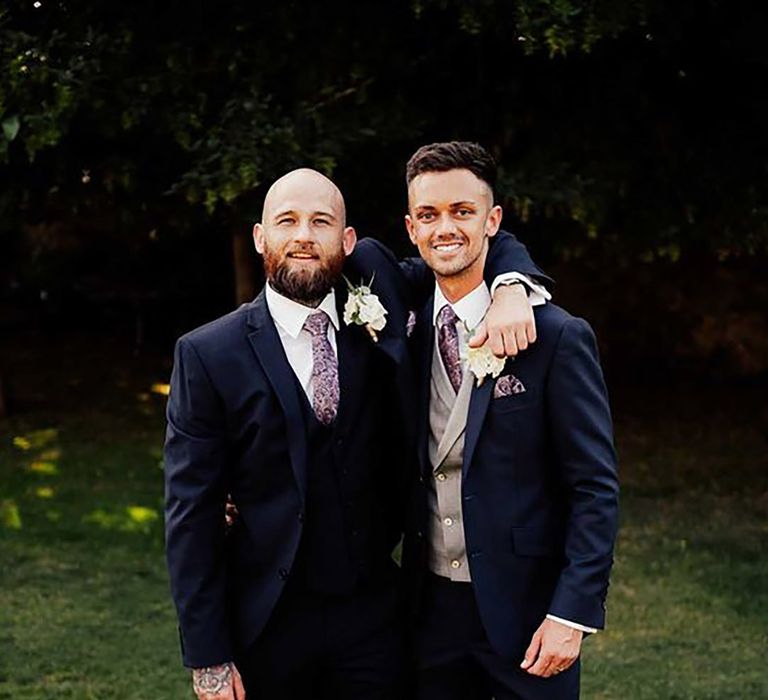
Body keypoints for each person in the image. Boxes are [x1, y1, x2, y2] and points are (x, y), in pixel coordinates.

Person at [163, 167, 548, 700]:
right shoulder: (206, 354)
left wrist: (510, 285)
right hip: (265, 620)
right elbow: (190, 514)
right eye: (287, 221)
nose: (303, 235)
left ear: (347, 242)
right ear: (260, 237)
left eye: (320, 222)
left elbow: (468, 239)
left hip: (375, 619)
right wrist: (207, 655)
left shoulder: (379, 289)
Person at [397, 142, 620, 700]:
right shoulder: (398, 315)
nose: (445, 228)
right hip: (428, 613)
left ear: (493, 220)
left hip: (528, 613)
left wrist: (572, 613)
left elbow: (594, 487)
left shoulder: (558, 338)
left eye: (463, 212)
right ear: (411, 227)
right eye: (429, 215)